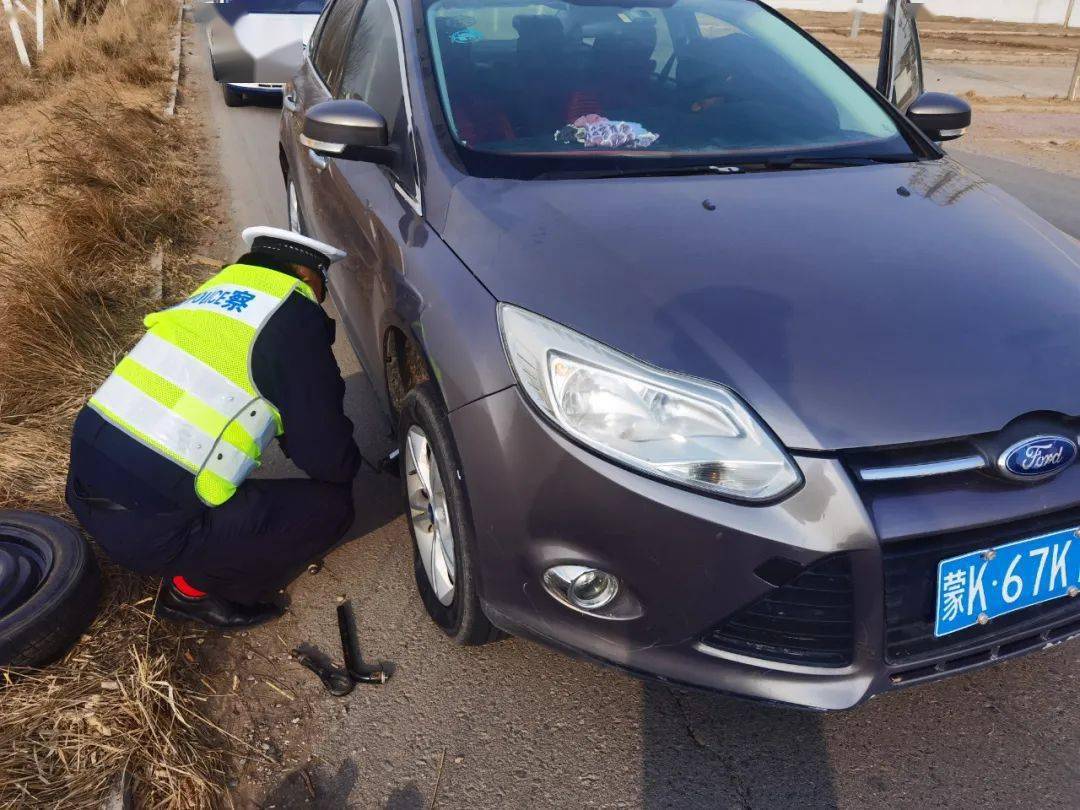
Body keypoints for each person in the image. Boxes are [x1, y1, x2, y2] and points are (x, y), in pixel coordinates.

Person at [66, 227, 361, 628]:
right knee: (332, 509)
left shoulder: (213, 294)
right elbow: (330, 461)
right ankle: (189, 593)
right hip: (146, 532)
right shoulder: (293, 316)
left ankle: (184, 548)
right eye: (322, 285)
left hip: (82, 490)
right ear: (308, 276)